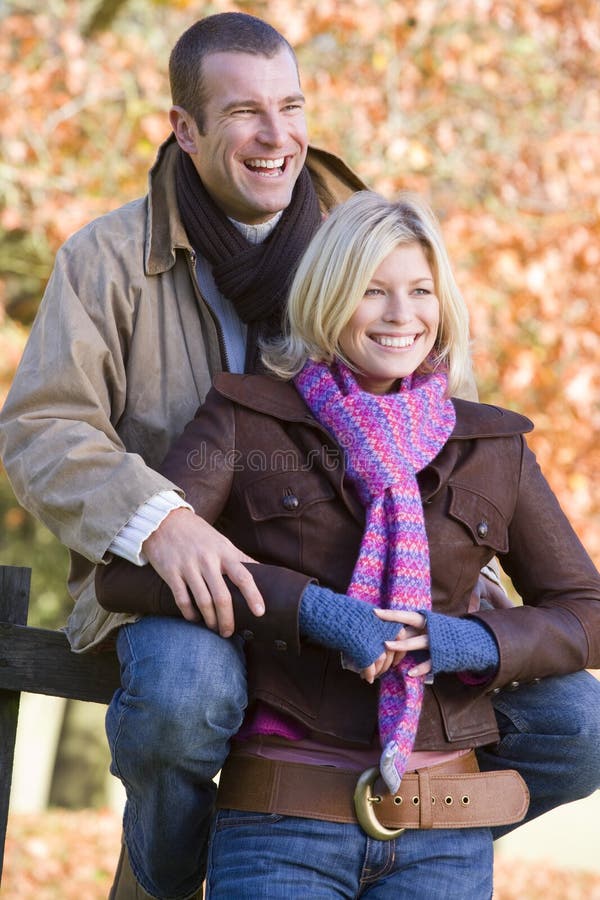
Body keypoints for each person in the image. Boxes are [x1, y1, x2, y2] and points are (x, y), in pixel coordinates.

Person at [0, 11, 598, 900]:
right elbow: (45, 427)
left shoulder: (362, 243)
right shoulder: (107, 259)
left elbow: (442, 415)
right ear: (186, 128)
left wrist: (456, 605)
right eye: (244, 112)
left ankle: (388, 820)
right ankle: (185, 869)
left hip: (379, 601)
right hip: (190, 585)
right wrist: (158, 524)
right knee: (182, 697)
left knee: (577, 723)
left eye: (292, 105)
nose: (276, 135)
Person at [96, 190, 600, 899]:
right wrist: (309, 611)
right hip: (283, 812)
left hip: (441, 827)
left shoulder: (492, 445)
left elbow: (587, 609)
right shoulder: (248, 417)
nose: (402, 315)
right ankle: (180, 867)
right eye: (373, 291)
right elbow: (123, 576)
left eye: (420, 291)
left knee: (586, 716)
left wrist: (473, 642)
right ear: (330, 298)